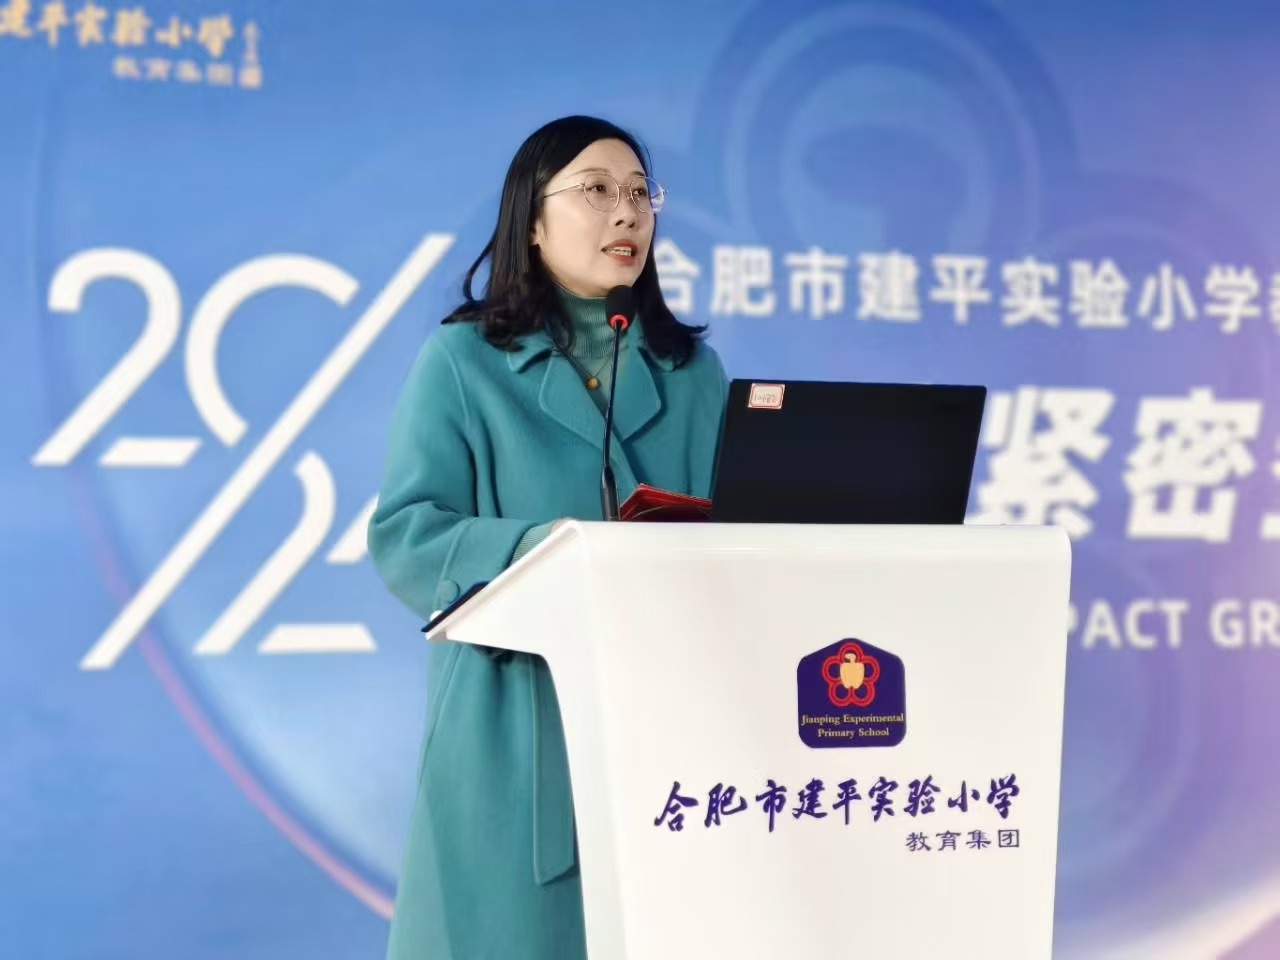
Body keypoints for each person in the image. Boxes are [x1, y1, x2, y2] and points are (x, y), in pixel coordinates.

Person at [367, 115, 729, 959]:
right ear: (531, 222)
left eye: (640, 193)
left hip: (671, 717)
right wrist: (553, 554)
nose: (628, 212)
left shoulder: (693, 372)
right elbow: (408, 535)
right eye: (597, 190)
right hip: (515, 725)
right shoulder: (463, 361)